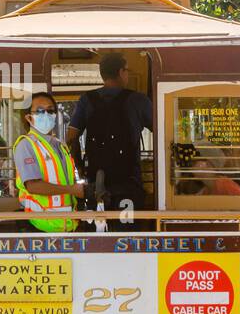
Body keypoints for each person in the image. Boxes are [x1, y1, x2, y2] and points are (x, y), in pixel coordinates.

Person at [66, 54, 152, 227]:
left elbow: (71, 138)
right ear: (121, 72)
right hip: (129, 181)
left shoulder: (86, 100)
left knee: (96, 233)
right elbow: (162, 131)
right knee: (128, 235)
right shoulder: (138, 100)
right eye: (127, 70)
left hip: (95, 182)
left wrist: (80, 167)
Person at [13, 92, 84, 233]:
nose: (46, 114)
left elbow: (67, 179)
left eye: (50, 110)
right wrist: (72, 189)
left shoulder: (60, 145)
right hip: (41, 226)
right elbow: (33, 186)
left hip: (67, 225)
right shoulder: (26, 145)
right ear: (28, 117)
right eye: (40, 111)